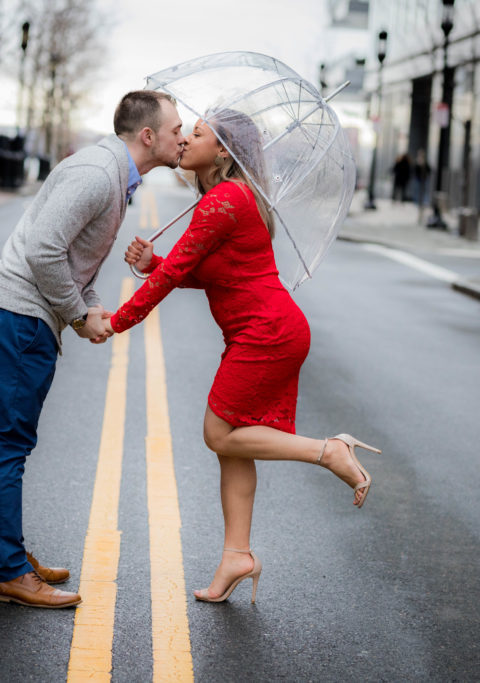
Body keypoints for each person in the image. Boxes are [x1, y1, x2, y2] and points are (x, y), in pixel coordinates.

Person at [109, 110, 381, 603]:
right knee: (233, 445)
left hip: (266, 333)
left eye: (196, 134)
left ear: (223, 150)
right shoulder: (228, 197)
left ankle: (329, 451)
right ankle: (237, 555)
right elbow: (212, 273)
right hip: (262, 332)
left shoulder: (224, 200)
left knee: (218, 433)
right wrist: (154, 262)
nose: (185, 140)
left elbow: (175, 276)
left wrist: (117, 321)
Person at [0, 91, 185, 609]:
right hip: (19, 318)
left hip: (23, 318)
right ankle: (7, 571)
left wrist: (89, 307)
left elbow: (71, 262)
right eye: (177, 129)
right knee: (7, 443)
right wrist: (76, 313)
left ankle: (7, 557)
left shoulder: (114, 176)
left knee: (11, 442)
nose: (184, 138)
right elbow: (43, 250)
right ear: (149, 136)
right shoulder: (97, 175)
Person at [412, 149, 431, 223]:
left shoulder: (425, 163)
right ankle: (419, 204)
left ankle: (424, 203)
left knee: (424, 193)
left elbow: (429, 170)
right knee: (418, 193)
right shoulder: (417, 162)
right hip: (418, 181)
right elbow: (414, 171)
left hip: (424, 181)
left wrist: (423, 165)